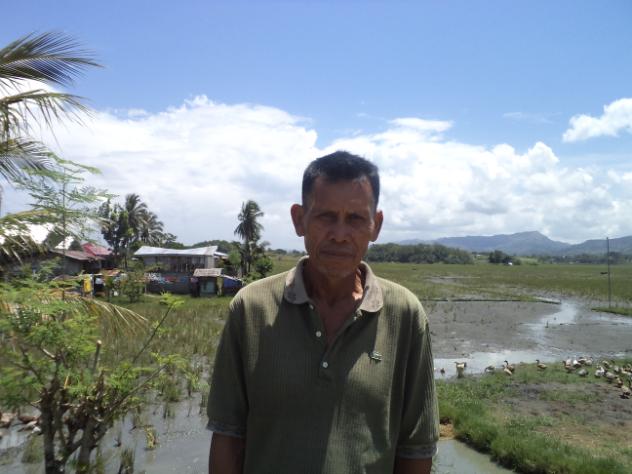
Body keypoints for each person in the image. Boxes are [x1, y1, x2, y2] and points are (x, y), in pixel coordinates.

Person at [207, 151, 439, 474]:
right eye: (326, 216)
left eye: (355, 219)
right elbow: (228, 434)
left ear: (376, 225)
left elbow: (416, 448)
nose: (339, 234)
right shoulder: (251, 309)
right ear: (299, 219)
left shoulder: (405, 315)